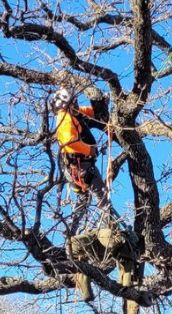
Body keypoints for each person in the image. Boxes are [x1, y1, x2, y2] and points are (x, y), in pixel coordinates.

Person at [51, 87, 120, 234]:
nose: (76, 105)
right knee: (102, 195)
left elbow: (89, 112)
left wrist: (101, 105)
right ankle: (113, 229)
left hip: (77, 167)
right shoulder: (65, 120)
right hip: (81, 166)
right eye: (73, 102)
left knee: (84, 199)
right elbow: (70, 143)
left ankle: (71, 231)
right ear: (65, 104)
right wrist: (90, 150)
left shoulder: (73, 113)